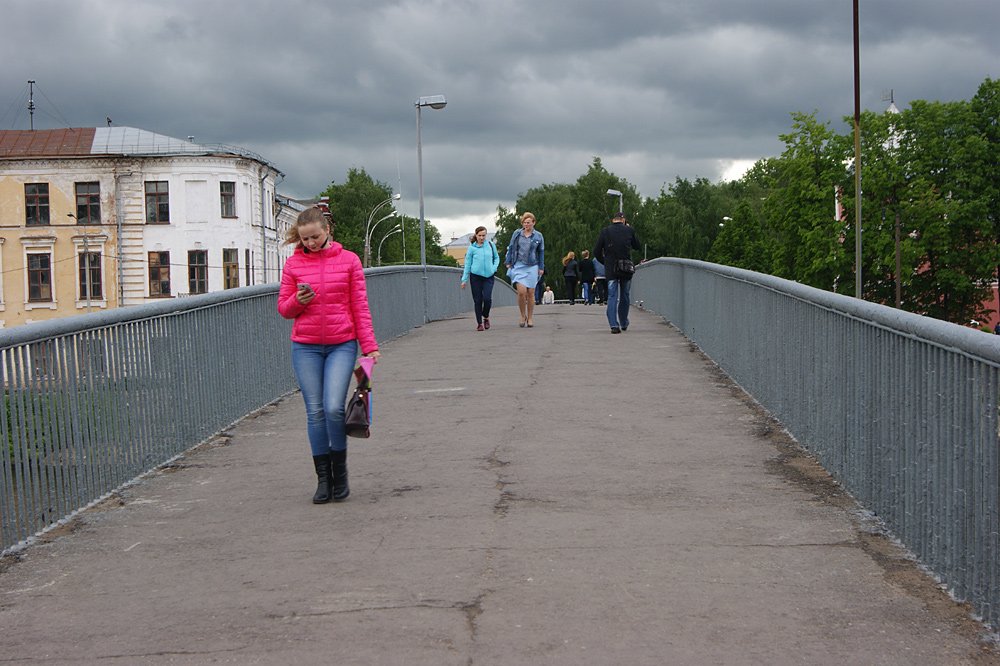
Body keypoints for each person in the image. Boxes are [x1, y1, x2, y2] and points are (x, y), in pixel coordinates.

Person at [278, 206, 380, 504]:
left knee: (334, 407)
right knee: (315, 411)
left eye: (314, 237)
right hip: (306, 346)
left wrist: (369, 346)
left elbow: (359, 306)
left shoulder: (349, 261)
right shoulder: (293, 264)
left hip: (341, 343)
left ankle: (341, 472)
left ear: (327, 232)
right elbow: (284, 309)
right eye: (304, 239)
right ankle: (324, 480)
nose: (309, 243)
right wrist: (298, 299)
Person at [593, 212, 640, 334]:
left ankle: (614, 325)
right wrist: (629, 229)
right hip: (625, 268)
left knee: (612, 296)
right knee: (624, 295)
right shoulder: (629, 230)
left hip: (611, 269)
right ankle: (624, 322)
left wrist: (605, 262)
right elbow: (637, 246)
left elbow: (596, 251)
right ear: (623, 220)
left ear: (613, 220)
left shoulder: (605, 231)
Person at [504, 211, 545, 327]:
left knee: (531, 293)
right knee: (521, 293)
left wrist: (541, 267)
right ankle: (523, 315)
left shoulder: (538, 236)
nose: (526, 225)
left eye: (528, 222)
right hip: (518, 265)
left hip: (532, 265)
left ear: (533, 223)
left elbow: (541, 252)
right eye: (524, 222)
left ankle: (530, 317)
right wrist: (508, 261)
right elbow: (511, 247)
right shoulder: (517, 234)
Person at [460, 226, 500, 331]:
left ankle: (485, 316)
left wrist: (494, 268)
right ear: (476, 235)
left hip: (489, 276)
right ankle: (479, 323)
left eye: (483, 235)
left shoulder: (491, 245)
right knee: (478, 300)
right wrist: (464, 279)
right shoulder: (472, 248)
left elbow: (496, 258)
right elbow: (467, 264)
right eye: (480, 235)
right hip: (476, 277)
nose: (482, 238)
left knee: (487, 298)